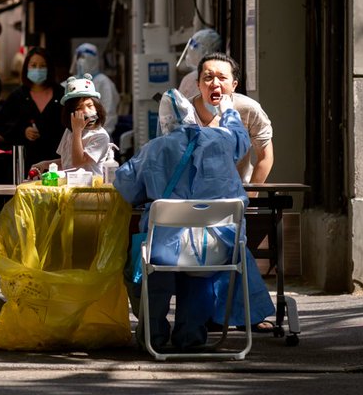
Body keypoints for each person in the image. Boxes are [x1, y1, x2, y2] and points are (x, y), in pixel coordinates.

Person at [114, 88, 274, 351]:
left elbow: (126, 187)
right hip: (216, 248)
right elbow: (240, 140)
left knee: (151, 271)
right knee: (198, 272)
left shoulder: (154, 149)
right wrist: (228, 111)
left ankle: (152, 336)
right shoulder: (221, 140)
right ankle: (190, 336)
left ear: (162, 121)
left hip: (164, 249)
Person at [177, 52, 274, 185]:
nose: (215, 83)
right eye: (208, 77)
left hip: (236, 194)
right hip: (193, 194)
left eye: (222, 78)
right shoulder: (183, 112)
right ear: (198, 84)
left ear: (234, 85)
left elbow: (265, 156)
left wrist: (250, 196)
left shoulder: (249, 110)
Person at [0, 46, 64, 178]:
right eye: (33, 65)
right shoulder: (17, 96)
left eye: (42, 66)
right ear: (26, 67)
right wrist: (23, 131)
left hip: (56, 161)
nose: (38, 69)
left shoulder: (61, 94)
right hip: (24, 161)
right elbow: (3, 125)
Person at [30, 74, 112, 176]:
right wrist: (45, 164)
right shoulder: (70, 130)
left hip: (89, 188)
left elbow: (78, 162)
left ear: (97, 107)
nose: (86, 111)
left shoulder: (100, 136)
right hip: (69, 186)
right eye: (78, 108)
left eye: (89, 105)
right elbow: (67, 161)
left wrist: (77, 132)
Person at [73, 42, 120, 130]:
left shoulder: (103, 82)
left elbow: (109, 113)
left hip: (98, 134)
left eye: (84, 57)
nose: (80, 61)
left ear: (94, 59)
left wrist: (99, 136)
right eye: (79, 58)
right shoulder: (73, 82)